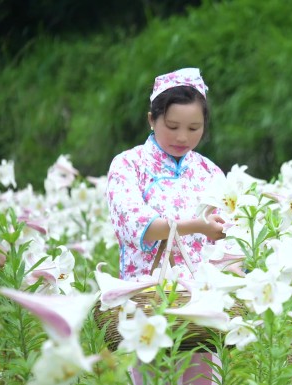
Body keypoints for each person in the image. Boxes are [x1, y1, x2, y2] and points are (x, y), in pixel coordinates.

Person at [106, 68, 226, 385]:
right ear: (151, 119)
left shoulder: (210, 172)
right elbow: (136, 224)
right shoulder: (127, 165)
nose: (182, 137)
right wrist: (197, 226)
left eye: (194, 128)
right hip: (147, 299)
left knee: (202, 377)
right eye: (172, 126)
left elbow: (230, 235)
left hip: (199, 307)